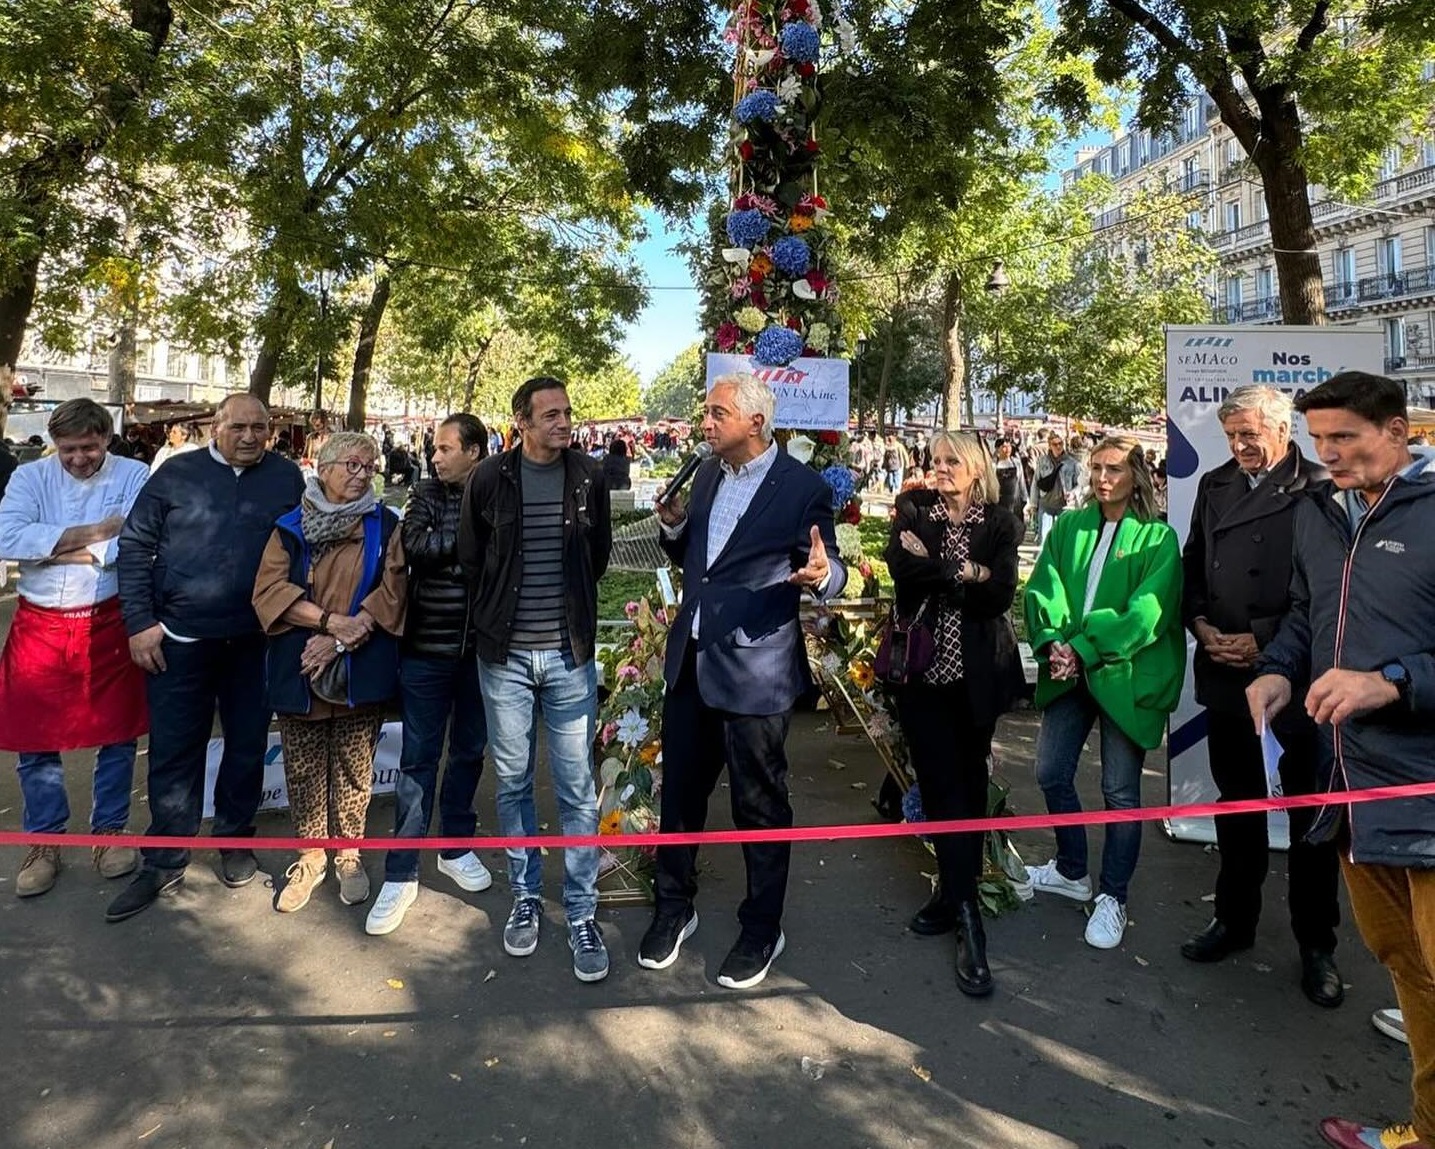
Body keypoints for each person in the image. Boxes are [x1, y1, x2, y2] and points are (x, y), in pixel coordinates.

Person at [1244, 372, 1435, 1149]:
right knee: (1404, 966)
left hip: (1425, 792)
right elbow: (1306, 613)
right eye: (1316, 439)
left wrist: (1389, 683)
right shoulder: (1318, 510)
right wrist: (1277, 669)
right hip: (1351, 789)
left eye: (1344, 438)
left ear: (1397, 429)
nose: (1326, 455)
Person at [641, 372, 847, 989]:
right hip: (691, 662)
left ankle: (762, 925)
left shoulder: (803, 487)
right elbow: (698, 566)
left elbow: (828, 565)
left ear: (756, 422)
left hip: (755, 670)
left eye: (716, 413)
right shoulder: (705, 475)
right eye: (706, 413)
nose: (705, 423)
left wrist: (822, 575)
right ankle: (674, 908)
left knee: (759, 803)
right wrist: (675, 527)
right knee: (678, 797)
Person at [108, 395, 306, 923]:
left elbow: (306, 548)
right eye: (238, 426)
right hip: (179, 637)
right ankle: (165, 856)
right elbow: (134, 547)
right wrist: (140, 623)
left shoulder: (286, 478)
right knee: (175, 748)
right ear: (215, 427)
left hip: (256, 639)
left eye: (259, 428)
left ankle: (235, 839)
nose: (248, 436)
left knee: (245, 745)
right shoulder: (177, 475)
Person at [1178, 384, 1343, 1006]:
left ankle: (1317, 944)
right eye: (1231, 436)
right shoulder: (1215, 485)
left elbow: (1327, 594)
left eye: (1250, 434)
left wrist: (1264, 641)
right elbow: (1194, 566)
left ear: (1282, 430)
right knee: (1239, 805)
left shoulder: (1321, 490)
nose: (1240, 446)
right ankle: (1234, 920)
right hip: (1226, 675)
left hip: (1298, 678)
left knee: (1310, 817)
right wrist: (1201, 626)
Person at [458, 376, 613, 982]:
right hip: (506, 658)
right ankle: (525, 895)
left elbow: (595, 556)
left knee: (576, 786)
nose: (563, 422)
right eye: (550, 414)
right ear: (520, 421)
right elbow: (472, 558)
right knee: (514, 780)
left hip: (570, 654)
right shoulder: (489, 479)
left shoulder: (589, 476)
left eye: (567, 413)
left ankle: (580, 910)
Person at [1022, 434, 1184, 950]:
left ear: (1136, 475)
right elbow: (1042, 587)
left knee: (1120, 793)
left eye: (1113, 468)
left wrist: (1085, 649)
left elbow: (1147, 614)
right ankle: (1072, 869)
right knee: (1050, 770)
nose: (1101, 478)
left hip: (1124, 676)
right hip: (1070, 670)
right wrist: (1052, 643)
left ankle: (1113, 896)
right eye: (1095, 468)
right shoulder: (1069, 526)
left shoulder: (1159, 540)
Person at [885, 431, 1023, 995]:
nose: (939, 469)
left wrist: (945, 569)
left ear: (975, 468)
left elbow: (1001, 594)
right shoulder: (913, 509)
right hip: (922, 677)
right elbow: (901, 571)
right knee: (940, 787)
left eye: (951, 461)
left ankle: (952, 895)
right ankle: (967, 917)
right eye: (935, 460)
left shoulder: (1000, 520)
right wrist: (965, 572)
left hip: (978, 678)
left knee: (966, 786)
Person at [0, 400, 150, 897]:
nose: (80, 458)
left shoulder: (134, 474)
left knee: (118, 732)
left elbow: (137, 541)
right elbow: (7, 537)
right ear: (53, 442)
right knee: (34, 737)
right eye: (69, 449)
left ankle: (108, 831)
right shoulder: (29, 478)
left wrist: (53, 546)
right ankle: (44, 839)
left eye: (89, 447)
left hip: (108, 619)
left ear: (107, 438)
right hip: (38, 620)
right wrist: (96, 534)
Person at [253, 431, 406, 913]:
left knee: (355, 766)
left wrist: (342, 635)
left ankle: (349, 854)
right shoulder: (289, 527)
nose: (362, 476)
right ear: (324, 468)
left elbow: (394, 589)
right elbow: (268, 592)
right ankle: (311, 854)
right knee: (302, 769)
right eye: (352, 466)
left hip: (360, 661)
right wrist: (324, 623)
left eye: (370, 467)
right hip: (300, 664)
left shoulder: (387, 524)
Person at [367, 414, 493, 936]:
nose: (434, 457)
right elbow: (416, 547)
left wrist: (464, 550)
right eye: (433, 448)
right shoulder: (423, 494)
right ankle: (400, 870)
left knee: (468, 751)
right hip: (426, 650)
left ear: (475, 451)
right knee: (418, 758)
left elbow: (508, 558)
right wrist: (470, 547)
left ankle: (455, 844)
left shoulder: (500, 491)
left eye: (444, 449)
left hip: (482, 651)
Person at [1030, 433, 1082, 545]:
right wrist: (1033, 504)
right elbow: (1036, 482)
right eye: (1055, 444)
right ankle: (1041, 561)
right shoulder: (1042, 461)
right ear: (1050, 446)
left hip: (1064, 505)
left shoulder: (1072, 463)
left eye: (1060, 443)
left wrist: (1073, 493)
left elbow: (1080, 484)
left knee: (1062, 540)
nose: (1058, 446)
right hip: (1046, 504)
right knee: (1043, 539)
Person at [993, 438, 1028, 520]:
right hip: (999, 503)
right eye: (1004, 446)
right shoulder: (993, 465)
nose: (1008, 449)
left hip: (1015, 502)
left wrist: (1025, 498)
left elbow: (1021, 482)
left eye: (1009, 446)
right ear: (998, 449)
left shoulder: (1016, 463)